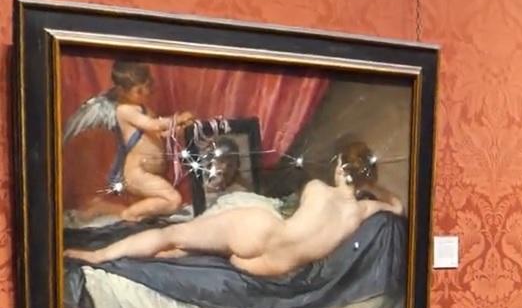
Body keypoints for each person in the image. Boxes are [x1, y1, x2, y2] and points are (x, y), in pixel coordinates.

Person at [64, 140, 404, 278]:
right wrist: (370, 187)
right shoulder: (363, 211)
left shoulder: (317, 188)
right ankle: (126, 256)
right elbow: (398, 206)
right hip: (271, 267)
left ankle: (99, 256)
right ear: (365, 179)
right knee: (186, 247)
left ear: (340, 167)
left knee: (174, 235)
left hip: (259, 231)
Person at [64, 60, 194, 222]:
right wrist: (177, 119)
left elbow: (159, 133)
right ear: (122, 90)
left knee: (152, 205)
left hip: (149, 172)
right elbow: (153, 125)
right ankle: (129, 216)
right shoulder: (124, 110)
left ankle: (101, 207)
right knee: (172, 200)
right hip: (136, 173)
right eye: (139, 90)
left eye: (147, 86)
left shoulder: (145, 109)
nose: (146, 92)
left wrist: (179, 128)